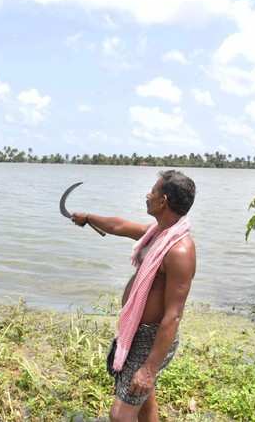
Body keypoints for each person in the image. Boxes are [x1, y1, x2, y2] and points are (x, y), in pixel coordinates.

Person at [71, 170, 196, 422]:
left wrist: (149, 368)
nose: (147, 195)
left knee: (120, 414)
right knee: (145, 401)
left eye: (153, 190)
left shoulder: (179, 250)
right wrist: (88, 218)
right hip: (137, 329)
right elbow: (119, 226)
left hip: (151, 337)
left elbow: (173, 316)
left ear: (164, 201)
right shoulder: (159, 233)